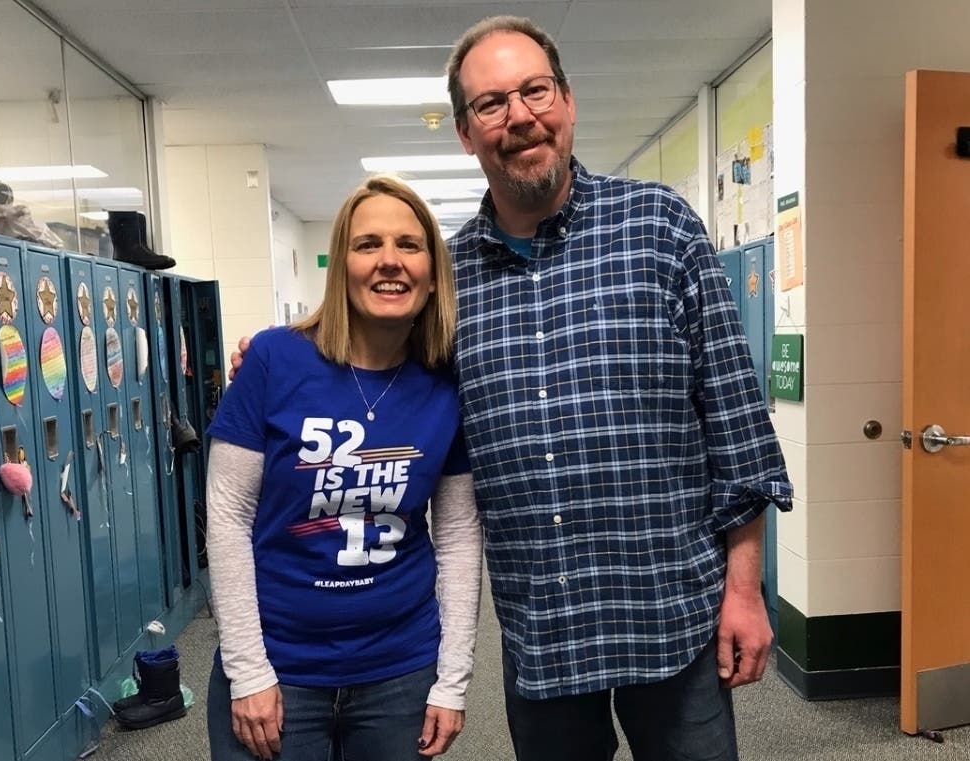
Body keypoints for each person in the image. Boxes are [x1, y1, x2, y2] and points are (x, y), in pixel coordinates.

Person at [232, 15, 792, 761]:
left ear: (566, 100)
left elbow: (736, 427)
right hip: (544, 629)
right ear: (466, 132)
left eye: (534, 91)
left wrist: (744, 589)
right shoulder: (450, 280)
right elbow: (372, 340)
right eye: (491, 104)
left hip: (673, 615)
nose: (518, 116)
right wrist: (278, 349)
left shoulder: (662, 229)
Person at [206, 175, 482, 761]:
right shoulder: (273, 361)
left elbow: (457, 536)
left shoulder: (447, 383)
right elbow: (228, 518)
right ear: (341, 264)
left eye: (410, 245)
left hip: (400, 669)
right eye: (367, 244)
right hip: (279, 664)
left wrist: (452, 678)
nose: (390, 261)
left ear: (433, 271)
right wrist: (248, 669)